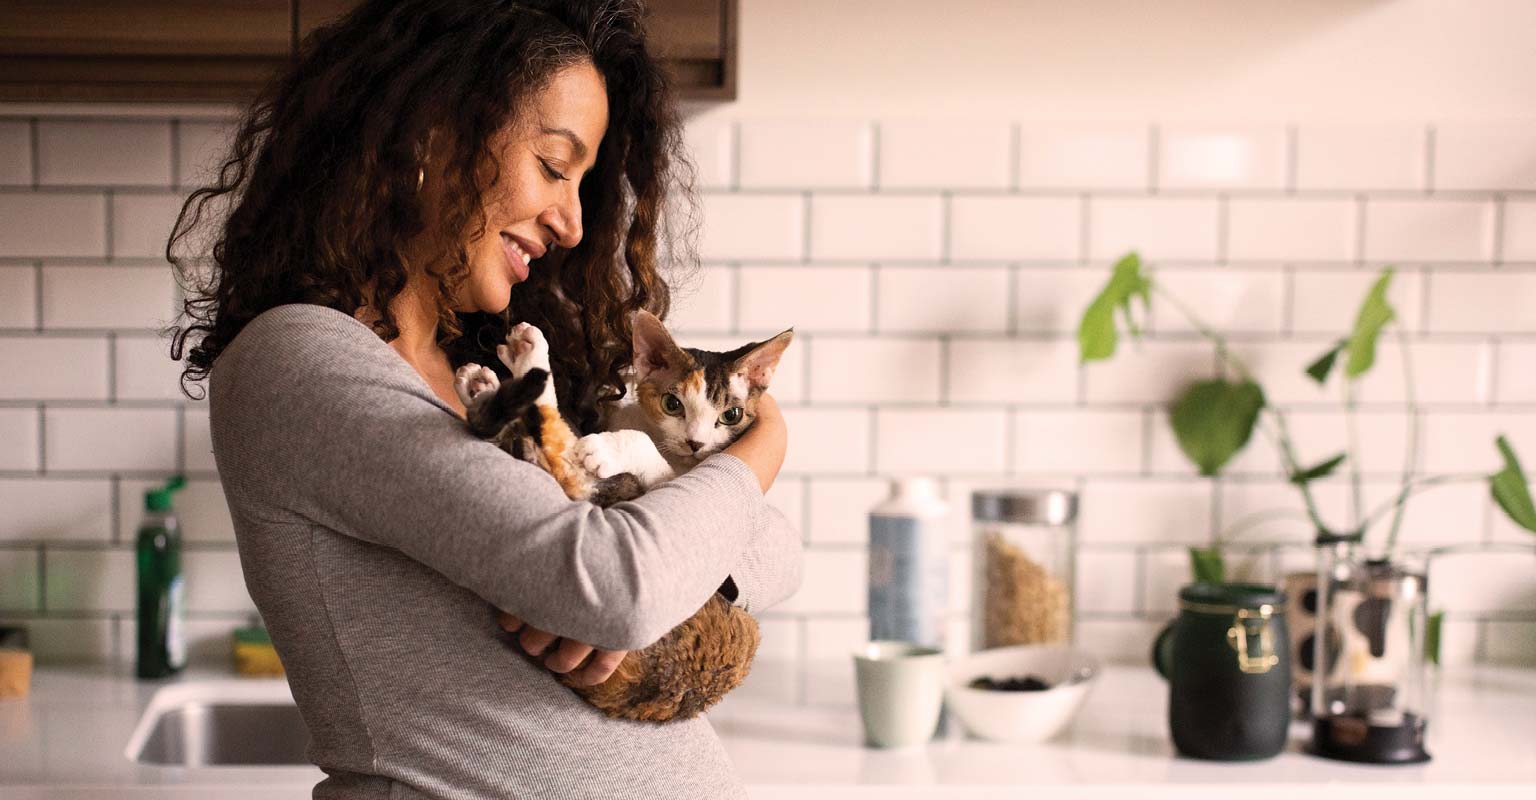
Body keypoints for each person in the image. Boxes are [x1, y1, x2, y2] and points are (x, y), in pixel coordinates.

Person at [165, 2, 803, 798]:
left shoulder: (493, 367)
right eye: (553, 165)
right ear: (436, 133)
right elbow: (617, 583)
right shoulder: (297, 360)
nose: (572, 222)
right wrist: (762, 446)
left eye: (584, 182)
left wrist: (671, 583)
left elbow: (778, 553)